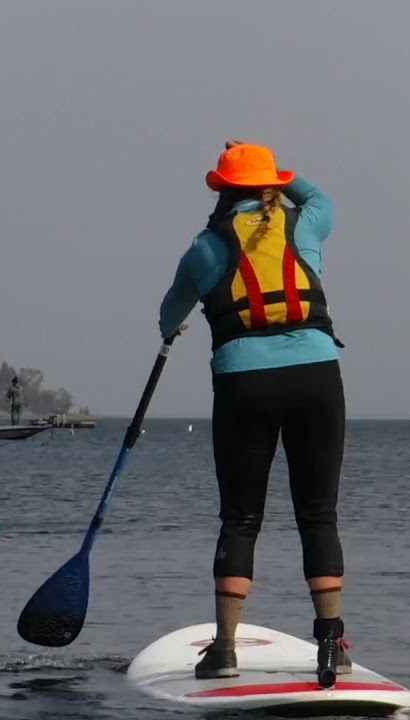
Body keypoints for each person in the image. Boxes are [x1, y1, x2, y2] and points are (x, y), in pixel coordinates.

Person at [158, 140, 350, 684]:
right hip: (316, 377)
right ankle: (331, 646)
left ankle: (224, 650)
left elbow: (169, 314)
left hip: (243, 384)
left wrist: (173, 329)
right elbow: (320, 196)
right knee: (318, 515)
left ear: (224, 190)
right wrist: (277, 172)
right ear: (271, 185)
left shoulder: (204, 247)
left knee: (241, 518)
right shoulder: (304, 223)